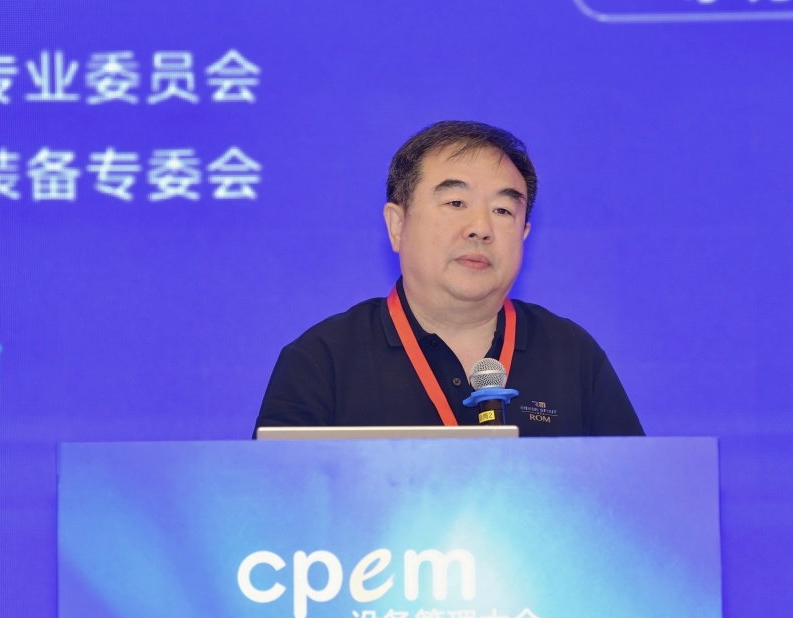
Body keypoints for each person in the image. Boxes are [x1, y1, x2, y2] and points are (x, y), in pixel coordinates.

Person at [254, 121, 644, 437]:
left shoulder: (572, 354)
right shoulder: (322, 360)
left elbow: (637, 498)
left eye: (503, 210)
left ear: (525, 233)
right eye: (456, 203)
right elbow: (275, 504)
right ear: (397, 225)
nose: (481, 228)